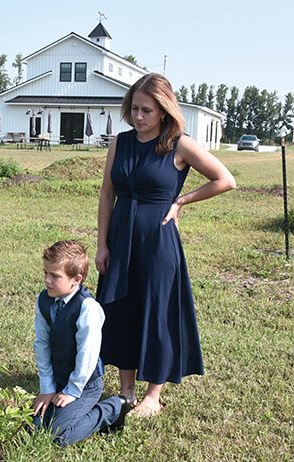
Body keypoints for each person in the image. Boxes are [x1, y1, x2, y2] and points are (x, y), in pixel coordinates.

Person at [95, 73, 236, 417]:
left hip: (158, 242)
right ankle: (126, 389)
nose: (139, 116)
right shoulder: (120, 143)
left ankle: (153, 394)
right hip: (120, 239)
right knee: (122, 309)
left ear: (164, 111)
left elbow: (225, 180)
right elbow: (107, 194)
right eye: (134, 108)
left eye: (147, 110)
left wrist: (181, 201)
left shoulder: (179, 144)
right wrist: (102, 244)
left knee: (156, 312)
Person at [32, 240, 131, 446]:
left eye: (55, 276)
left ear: (76, 279)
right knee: (34, 425)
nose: (47, 280)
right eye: (45, 273)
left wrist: (72, 390)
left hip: (85, 385)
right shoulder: (44, 300)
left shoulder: (88, 308)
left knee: (60, 436)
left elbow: (87, 355)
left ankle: (114, 407)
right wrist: (47, 387)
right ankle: (58, 409)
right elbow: (41, 344)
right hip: (58, 380)